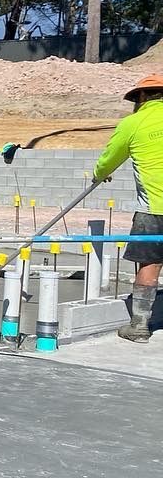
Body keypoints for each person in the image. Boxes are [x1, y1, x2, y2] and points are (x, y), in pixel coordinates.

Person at [93, 72, 163, 342]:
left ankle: (140, 326)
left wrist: (100, 173)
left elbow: (108, 160)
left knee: (150, 264)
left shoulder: (133, 123)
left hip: (154, 208)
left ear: (143, 96)